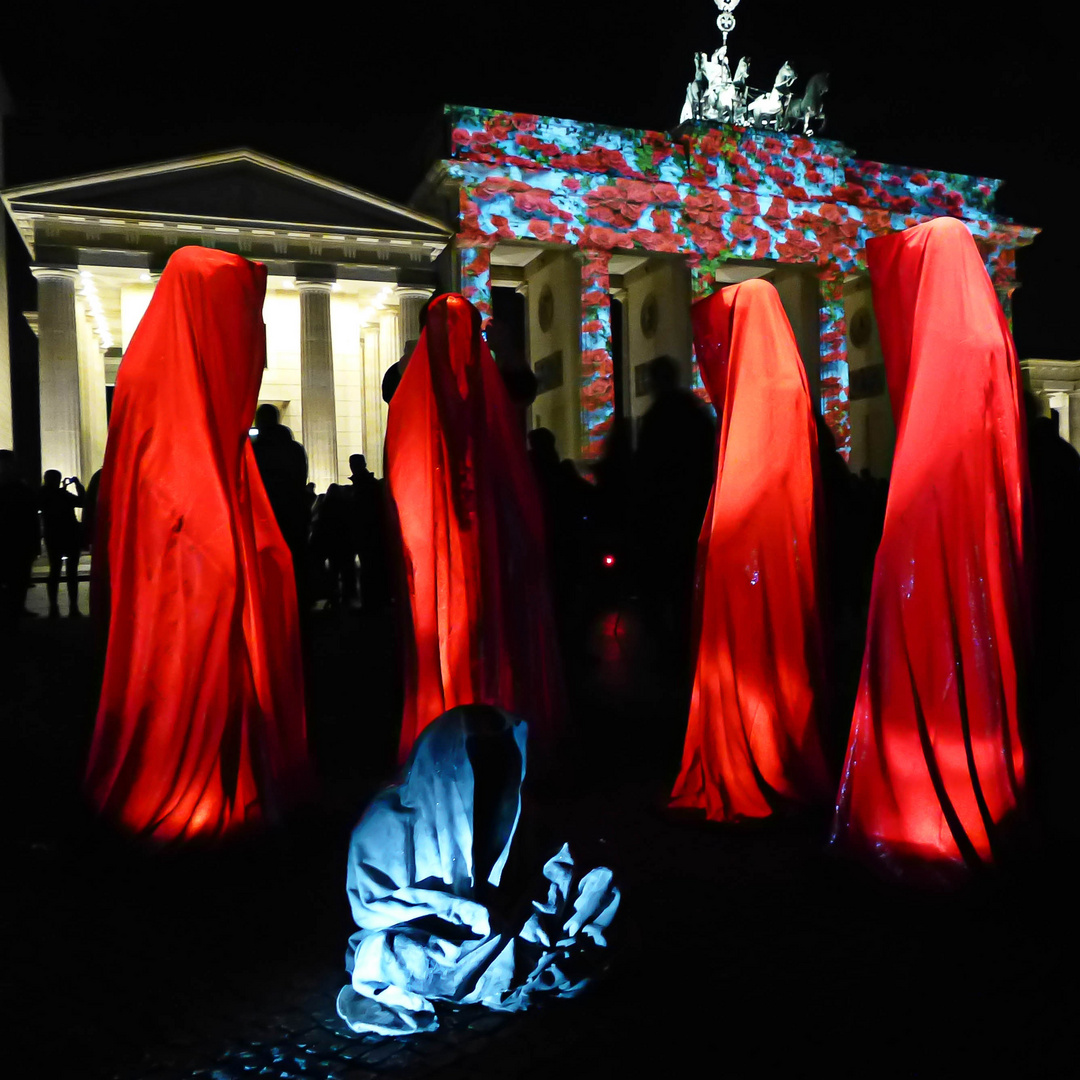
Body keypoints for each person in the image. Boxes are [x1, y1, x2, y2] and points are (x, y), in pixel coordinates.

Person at [84, 247, 311, 843]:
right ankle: (193, 780)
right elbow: (173, 494)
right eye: (236, 318)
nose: (249, 347)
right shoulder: (162, 381)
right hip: (179, 576)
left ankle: (225, 775)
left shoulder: (177, 381)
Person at [832, 217, 1030, 881]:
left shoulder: (949, 341)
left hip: (931, 528)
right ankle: (979, 800)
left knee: (928, 654)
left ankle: (920, 814)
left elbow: (932, 458)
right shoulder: (988, 337)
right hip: (980, 540)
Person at [337, 705, 619, 1036]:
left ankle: (505, 964)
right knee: (380, 956)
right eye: (477, 763)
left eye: (498, 761)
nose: (488, 774)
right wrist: (461, 913)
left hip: (498, 930)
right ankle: (503, 967)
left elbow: (531, 870)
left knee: (589, 891)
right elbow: (372, 909)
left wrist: (529, 911)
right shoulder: (384, 824)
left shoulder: (506, 802)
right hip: (430, 938)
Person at [670, 279, 833, 821]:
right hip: (782, 550)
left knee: (750, 651)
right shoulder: (790, 382)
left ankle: (752, 753)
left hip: (747, 550)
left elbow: (745, 479)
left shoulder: (758, 386)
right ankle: (781, 749)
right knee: (779, 651)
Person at [385, 293, 564, 762]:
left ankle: (473, 711)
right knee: (469, 625)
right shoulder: (438, 390)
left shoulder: (475, 392)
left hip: (473, 537)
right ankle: (473, 713)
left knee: (474, 624)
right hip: (461, 535)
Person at [38, 469, 84, 618]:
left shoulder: (43, 494)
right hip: (71, 535)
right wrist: (78, 486)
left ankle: (53, 607)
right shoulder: (62, 494)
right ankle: (73, 608)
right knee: (72, 573)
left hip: (53, 536)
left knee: (54, 571)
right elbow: (82, 502)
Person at [0, 450, 39, 624]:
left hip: (17, 540)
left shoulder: (20, 488)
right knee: (17, 580)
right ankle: (14, 611)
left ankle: (15, 611)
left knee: (19, 580)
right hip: (16, 539)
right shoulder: (21, 488)